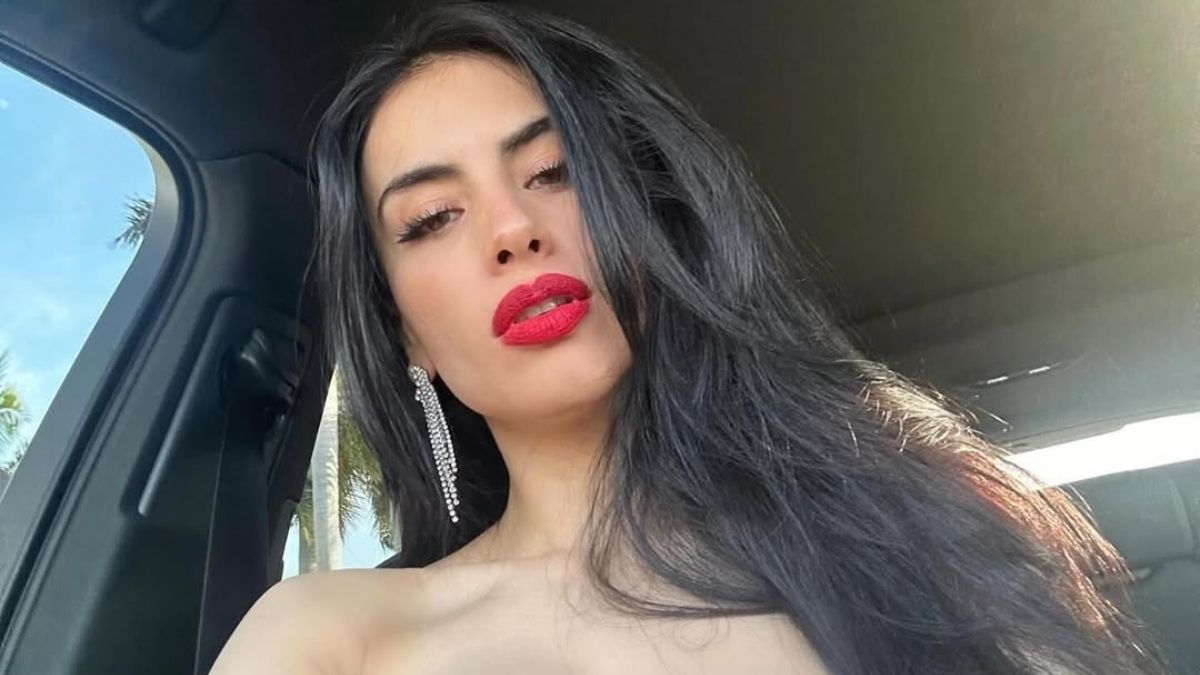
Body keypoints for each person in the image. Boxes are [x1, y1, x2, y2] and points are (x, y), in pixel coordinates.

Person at [210, 2, 1165, 673]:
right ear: (405, 334)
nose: (512, 228)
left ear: (646, 219)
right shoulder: (333, 636)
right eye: (431, 219)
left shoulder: (911, 537)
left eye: (552, 170)